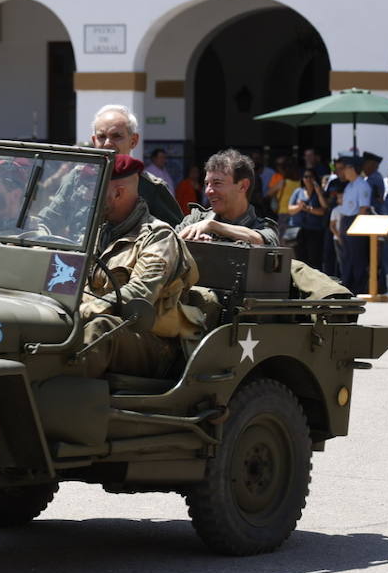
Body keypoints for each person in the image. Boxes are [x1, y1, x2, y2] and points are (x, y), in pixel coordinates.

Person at [78, 155, 192, 381]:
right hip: (94, 324)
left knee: (100, 329)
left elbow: (140, 293)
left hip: (152, 341)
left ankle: (57, 403)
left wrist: (83, 311)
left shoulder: (158, 237)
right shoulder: (95, 232)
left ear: (118, 193)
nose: (84, 196)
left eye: (92, 189)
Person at [87, 105, 185, 225]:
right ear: (94, 141)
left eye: (116, 136)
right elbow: (58, 217)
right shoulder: (78, 179)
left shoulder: (152, 187)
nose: (107, 144)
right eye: (101, 137)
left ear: (133, 141)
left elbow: (177, 233)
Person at [176, 149, 279, 247]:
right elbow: (168, 243)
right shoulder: (195, 220)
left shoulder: (263, 227)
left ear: (243, 186)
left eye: (217, 183)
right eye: (207, 184)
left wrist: (213, 226)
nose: (208, 191)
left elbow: (260, 240)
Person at [331, 153, 372, 294]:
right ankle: (347, 286)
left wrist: (357, 227)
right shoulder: (349, 186)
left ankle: (358, 287)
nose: (342, 171)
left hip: (356, 220)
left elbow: (363, 208)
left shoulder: (362, 185)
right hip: (346, 220)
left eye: (345, 168)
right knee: (347, 256)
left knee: (358, 256)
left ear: (353, 169)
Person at [287, 168, 329, 271]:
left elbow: (324, 209)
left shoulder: (319, 193)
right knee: (299, 258)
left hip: (314, 230)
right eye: (306, 177)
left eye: (311, 177)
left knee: (314, 259)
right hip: (298, 230)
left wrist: (318, 193)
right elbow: (290, 209)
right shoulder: (298, 191)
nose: (308, 179)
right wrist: (300, 207)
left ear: (315, 178)